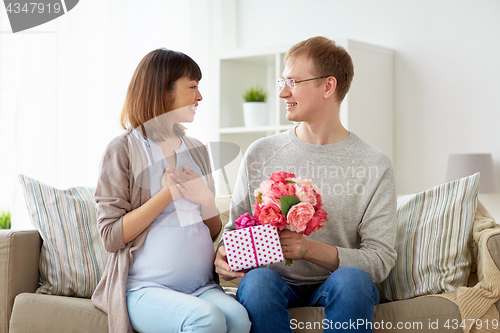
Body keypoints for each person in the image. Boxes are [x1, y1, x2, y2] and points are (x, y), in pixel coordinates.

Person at [214, 36, 397, 333]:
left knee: (352, 282)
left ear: (328, 86)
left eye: (294, 82)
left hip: (337, 284)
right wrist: (226, 256)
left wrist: (310, 249)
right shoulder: (260, 152)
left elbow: (379, 261)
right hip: (273, 282)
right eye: (282, 82)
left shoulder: (374, 165)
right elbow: (235, 231)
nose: (283, 92)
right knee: (258, 283)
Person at [91, 48, 251, 333]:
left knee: (239, 320)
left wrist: (205, 201)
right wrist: (166, 195)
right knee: (206, 319)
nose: (199, 97)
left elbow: (212, 230)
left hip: (200, 287)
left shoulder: (197, 151)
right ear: (163, 91)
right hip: (143, 288)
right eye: (192, 87)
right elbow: (111, 237)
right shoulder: (124, 150)